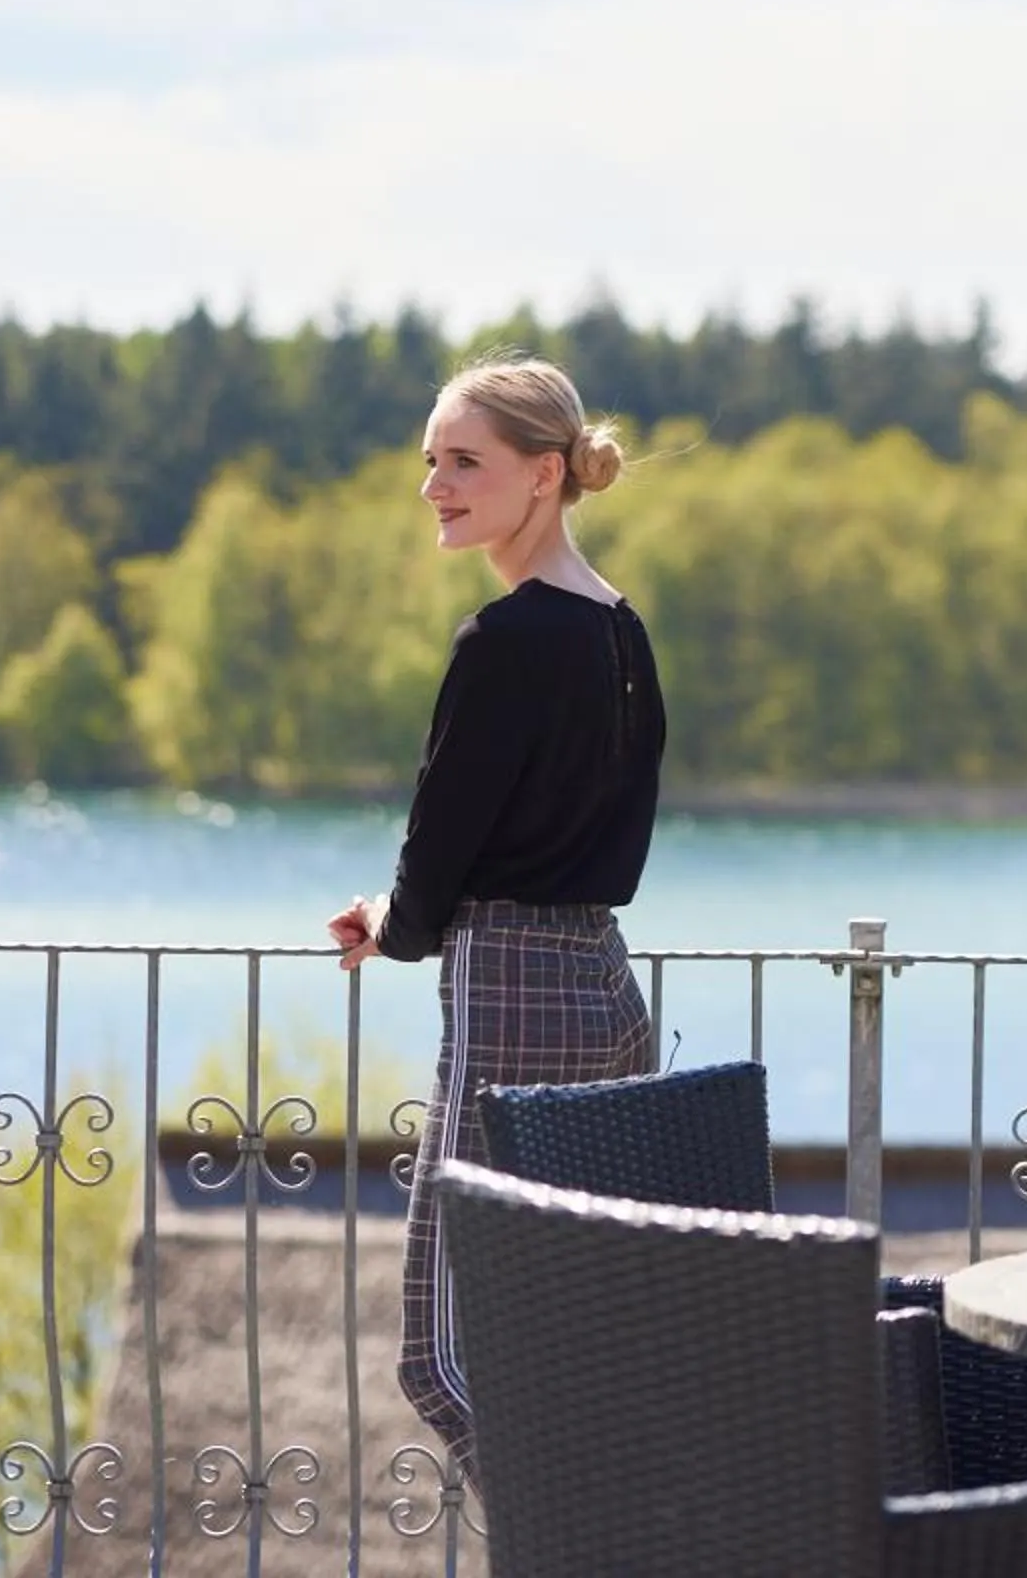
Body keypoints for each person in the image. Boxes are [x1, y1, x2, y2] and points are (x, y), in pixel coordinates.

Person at [326, 354, 665, 1484]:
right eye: (431, 461)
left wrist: (393, 917)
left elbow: (442, 851)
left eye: (464, 460)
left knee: (442, 1355)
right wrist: (409, 908)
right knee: (577, 1344)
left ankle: (581, 1548)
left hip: (511, 995)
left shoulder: (504, 641)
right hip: (609, 993)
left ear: (545, 473)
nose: (435, 484)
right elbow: (579, 842)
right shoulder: (625, 635)